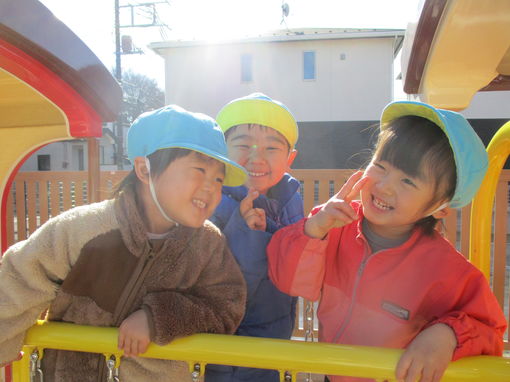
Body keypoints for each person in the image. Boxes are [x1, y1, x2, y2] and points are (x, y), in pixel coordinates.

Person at [0, 105, 248, 381]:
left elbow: (226, 306)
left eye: (218, 178)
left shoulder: (207, 244)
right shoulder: (84, 228)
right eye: (199, 170)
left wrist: (160, 317)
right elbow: (19, 281)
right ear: (144, 169)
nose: (211, 187)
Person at [267, 101, 507, 382]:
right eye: (380, 166)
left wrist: (447, 334)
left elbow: (489, 332)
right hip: (335, 373)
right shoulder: (336, 226)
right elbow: (288, 280)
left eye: (407, 181)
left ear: (441, 207)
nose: (384, 185)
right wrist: (314, 228)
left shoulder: (448, 271)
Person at [205, 93, 304, 382]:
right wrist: (246, 235)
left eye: (271, 147)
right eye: (243, 144)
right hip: (227, 349)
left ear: (290, 158)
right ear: (220, 151)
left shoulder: (289, 199)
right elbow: (218, 290)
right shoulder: (212, 202)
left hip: (275, 337)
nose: (256, 156)